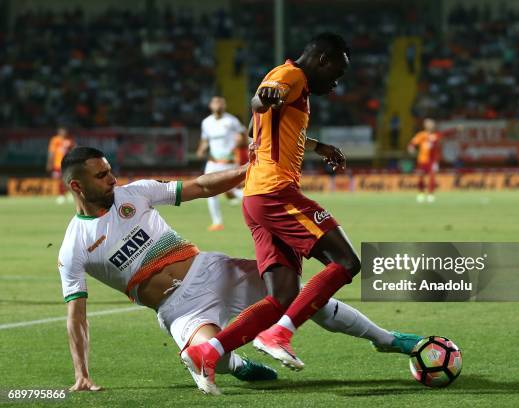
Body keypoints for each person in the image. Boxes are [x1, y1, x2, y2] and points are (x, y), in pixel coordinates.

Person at [59, 147, 423, 395]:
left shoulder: (135, 194)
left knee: (300, 298)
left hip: (213, 270)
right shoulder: (74, 246)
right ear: (77, 185)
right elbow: (77, 315)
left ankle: (386, 338)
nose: (112, 179)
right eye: (101, 175)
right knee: (195, 356)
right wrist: (82, 373)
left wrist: (249, 171)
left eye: (109, 171)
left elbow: (201, 186)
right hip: (179, 309)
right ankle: (237, 364)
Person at [180, 32, 369, 390]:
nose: (337, 82)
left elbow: (257, 128)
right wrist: (264, 97)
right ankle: (278, 335)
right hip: (275, 193)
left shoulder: (289, 81)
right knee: (346, 263)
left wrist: (318, 146)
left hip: (256, 197)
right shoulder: (291, 76)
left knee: (282, 295)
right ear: (323, 60)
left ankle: (209, 351)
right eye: (338, 73)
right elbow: (261, 102)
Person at [196, 96, 247, 231]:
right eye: (215, 102)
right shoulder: (206, 122)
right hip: (212, 161)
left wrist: (238, 142)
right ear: (210, 106)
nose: (218, 105)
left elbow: (243, 136)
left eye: (220, 103)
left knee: (233, 191)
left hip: (229, 161)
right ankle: (217, 222)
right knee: (208, 189)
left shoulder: (231, 121)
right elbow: (205, 140)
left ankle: (256, 199)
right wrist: (201, 150)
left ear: (224, 106)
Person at [408, 118, 441, 203]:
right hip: (422, 160)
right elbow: (412, 143)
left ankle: (430, 195)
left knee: (432, 177)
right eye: (428, 124)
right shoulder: (421, 135)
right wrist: (411, 148)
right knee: (421, 177)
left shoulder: (436, 135)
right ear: (425, 125)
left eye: (431, 124)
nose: (430, 125)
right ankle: (421, 194)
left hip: (432, 161)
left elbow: (446, 134)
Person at [47, 126, 76, 204]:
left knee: (69, 180)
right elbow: (51, 152)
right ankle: (61, 195)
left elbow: (74, 151)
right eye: (62, 130)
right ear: (59, 131)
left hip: (67, 164)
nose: (63, 132)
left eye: (65, 130)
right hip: (57, 164)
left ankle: (70, 194)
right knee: (59, 180)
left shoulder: (69, 140)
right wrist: (49, 163)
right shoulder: (55, 140)